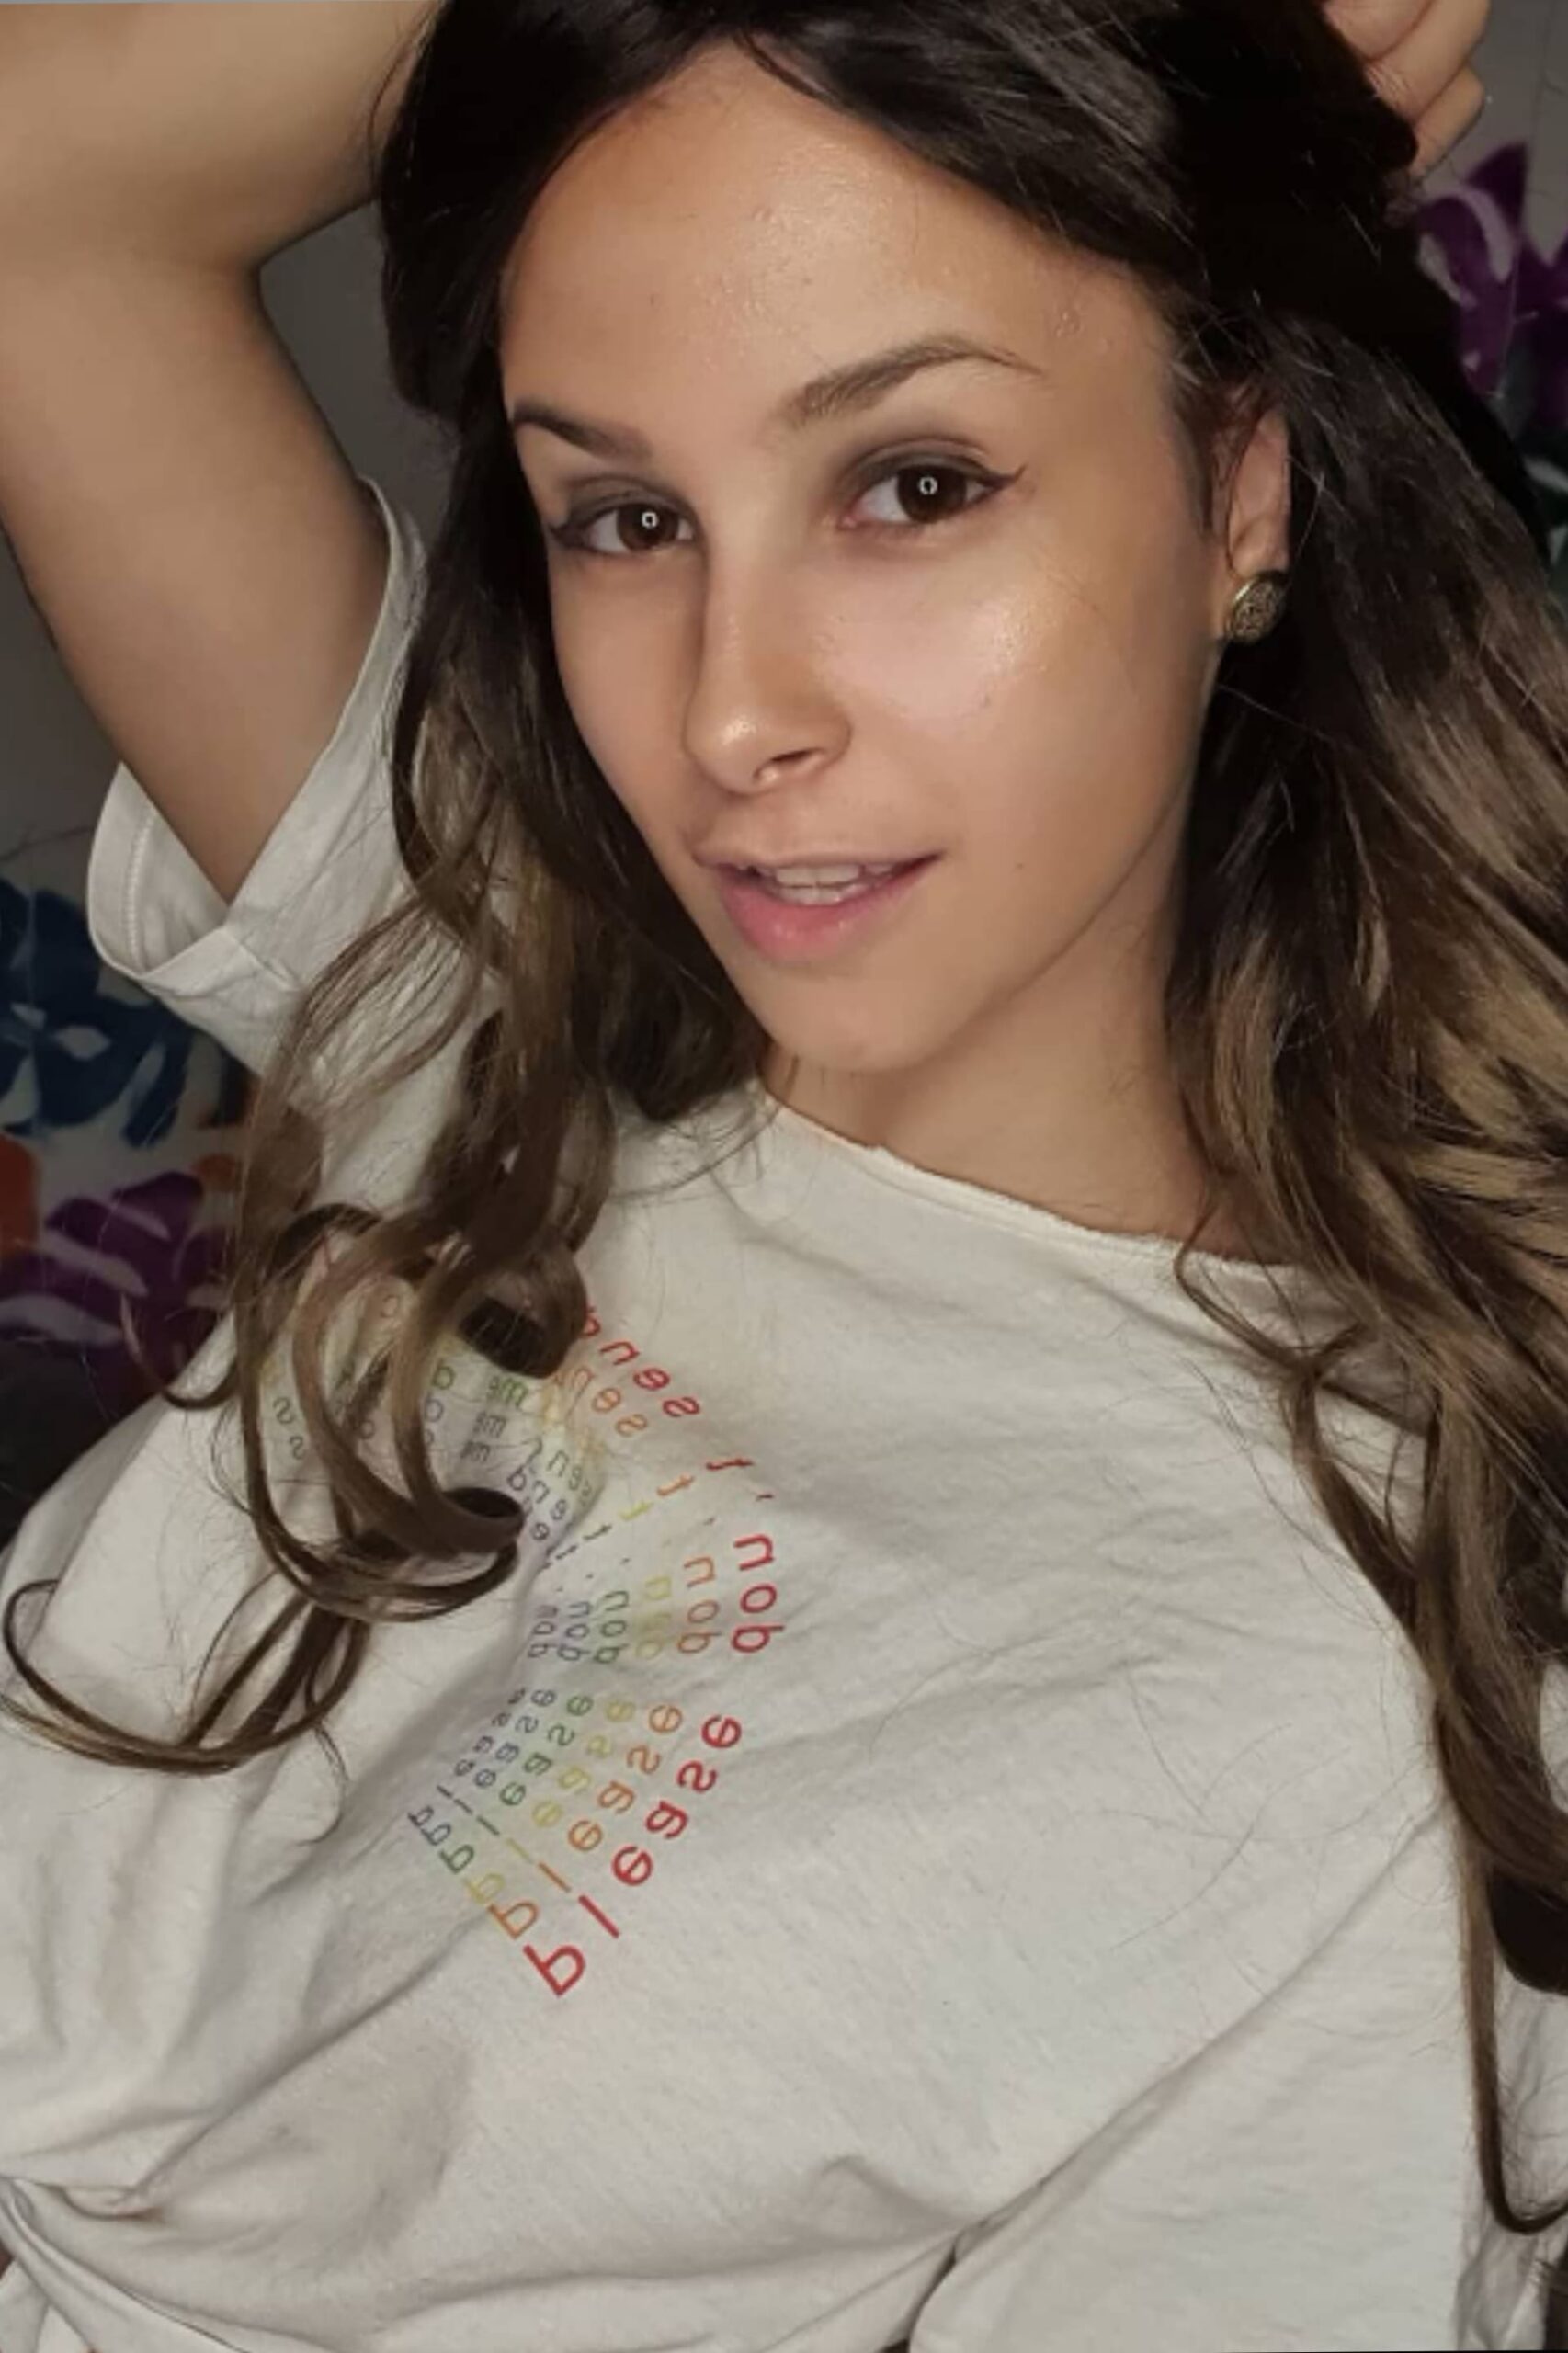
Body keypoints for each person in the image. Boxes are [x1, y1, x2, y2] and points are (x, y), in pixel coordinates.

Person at [0, 0, 1547, 2347]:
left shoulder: (1384, 1705)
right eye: (625, 518)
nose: (730, 712)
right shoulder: (498, 970)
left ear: (1238, 487)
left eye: (911, 484)